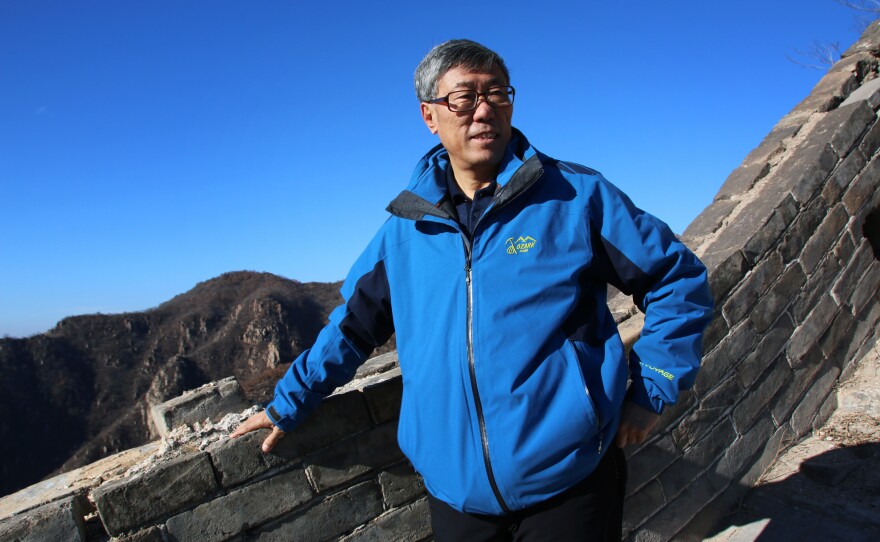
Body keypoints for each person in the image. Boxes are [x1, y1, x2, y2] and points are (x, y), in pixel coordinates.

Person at [231, 39, 714, 541]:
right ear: (430, 116)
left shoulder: (575, 197)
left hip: (570, 481)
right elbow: (351, 329)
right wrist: (288, 403)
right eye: (463, 98)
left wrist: (652, 388)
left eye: (497, 94)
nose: (483, 111)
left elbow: (676, 279)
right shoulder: (406, 230)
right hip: (455, 495)